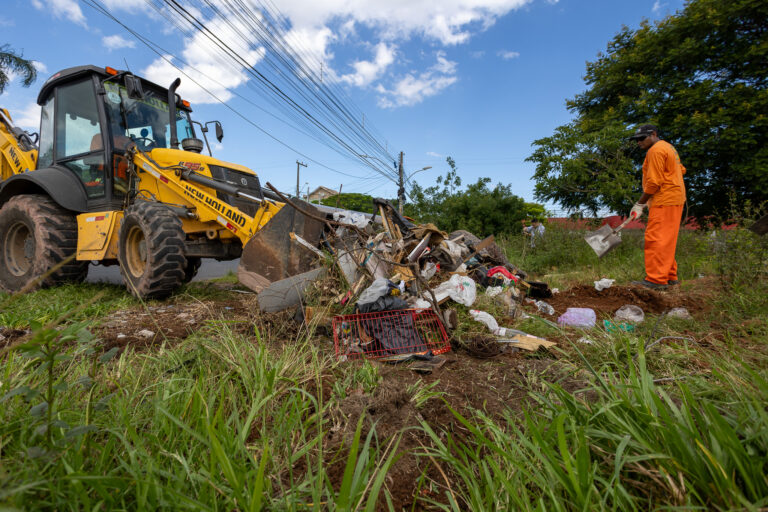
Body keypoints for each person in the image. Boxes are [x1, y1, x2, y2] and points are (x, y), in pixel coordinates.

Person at [628, 124, 686, 290]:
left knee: (656, 239)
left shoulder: (655, 151)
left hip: (665, 200)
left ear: (653, 134)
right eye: (637, 139)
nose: (639, 142)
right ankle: (670, 277)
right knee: (666, 240)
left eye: (642, 138)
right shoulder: (669, 147)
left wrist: (640, 203)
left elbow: (654, 182)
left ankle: (656, 280)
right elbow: (681, 170)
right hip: (674, 199)